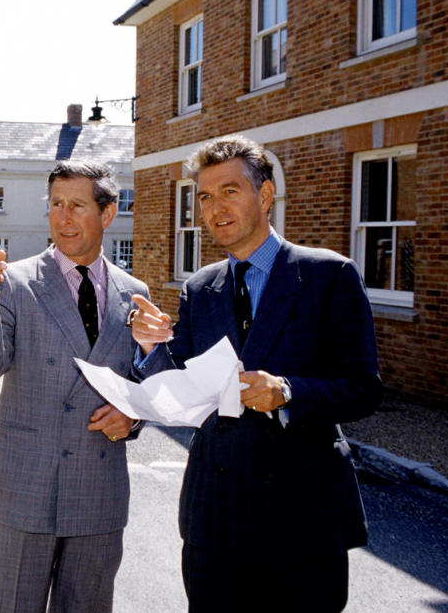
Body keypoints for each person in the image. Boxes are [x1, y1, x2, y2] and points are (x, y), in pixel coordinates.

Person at [130, 134, 382, 612]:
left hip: (302, 521)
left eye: (229, 190)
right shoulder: (200, 288)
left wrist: (287, 392)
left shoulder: (329, 276)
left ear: (264, 196)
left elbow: (364, 389)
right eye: (204, 196)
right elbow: (180, 387)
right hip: (214, 521)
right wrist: (150, 348)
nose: (214, 207)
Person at [0, 160, 150, 612]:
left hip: (97, 487)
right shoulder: (12, 282)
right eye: (56, 205)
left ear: (107, 214)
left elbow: (148, 382)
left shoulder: (134, 292)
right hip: (23, 485)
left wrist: (134, 414)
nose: (63, 217)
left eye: (77, 205)